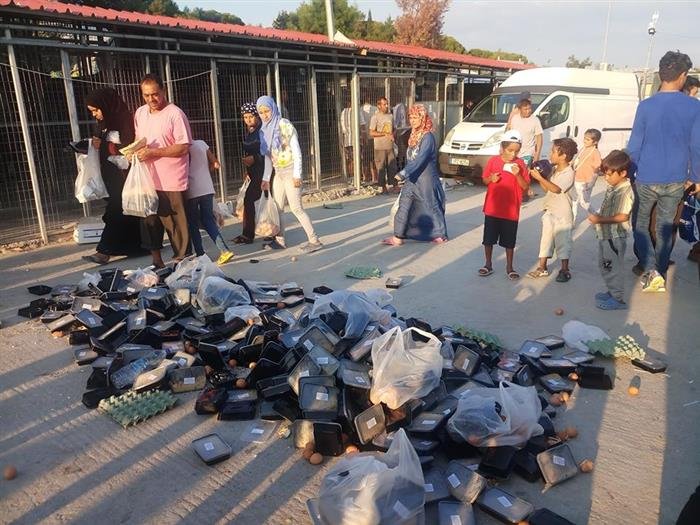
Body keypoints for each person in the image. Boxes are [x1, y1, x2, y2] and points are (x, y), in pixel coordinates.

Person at [627, 50, 700, 293]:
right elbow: (697, 146)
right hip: (676, 179)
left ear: (660, 74)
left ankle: (651, 270)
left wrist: (632, 174)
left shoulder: (645, 106)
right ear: (683, 75)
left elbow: (634, 146)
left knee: (640, 224)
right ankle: (658, 272)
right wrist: (696, 177)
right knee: (666, 227)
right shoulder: (694, 106)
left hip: (646, 177)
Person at [133, 74, 192, 269]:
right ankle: (156, 261)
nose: (151, 99)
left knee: (175, 224)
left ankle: (183, 263)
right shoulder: (140, 113)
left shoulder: (175, 114)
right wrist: (132, 152)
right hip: (148, 178)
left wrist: (153, 152)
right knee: (149, 221)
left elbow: (183, 147)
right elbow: (138, 140)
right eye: (146, 95)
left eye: (155, 94)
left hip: (171, 179)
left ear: (163, 91)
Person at [82, 87, 145, 265]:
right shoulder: (103, 123)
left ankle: (104, 251)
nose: (94, 114)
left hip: (124, 175)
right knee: (123, 211)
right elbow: (102, 144)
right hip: (110, 176)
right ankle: (137, 246)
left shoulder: (125, 119)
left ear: (106, 105)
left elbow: (129, 144)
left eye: (96, 110)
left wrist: (107, 145)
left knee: (116, 210)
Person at [256, 95, 322, 253]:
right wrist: (266, 178)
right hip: (278, 173)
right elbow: (268, 157)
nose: (265, 115)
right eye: (261, 112)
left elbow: (296, 151)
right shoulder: (264, 130)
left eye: (267, 111)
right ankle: (280, 240)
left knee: (296, 208)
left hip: (291, 170)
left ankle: (314, 240)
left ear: (273, 109)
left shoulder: (284, 124)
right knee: (278, 208)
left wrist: (297, 175)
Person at [381, 104, 447, 246]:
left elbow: (421, 159)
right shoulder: (413, 135)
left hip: (425, 178)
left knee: (431, 205)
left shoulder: (428, 137)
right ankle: (398, 236)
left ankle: (440, 234)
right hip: (412, 179)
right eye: (411, 117)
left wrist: (404, 173)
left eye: (416, 118)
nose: (412, 121)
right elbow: (410, 157)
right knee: (403, 205)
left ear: (422, 118)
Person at [478, 130, 530, 280]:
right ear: (502, 148)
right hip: (492, 208)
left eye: (516, 151)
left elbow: (525, 186)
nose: (513, 154)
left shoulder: (520, 164)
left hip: (511, 210)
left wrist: (517, 174)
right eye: (510, 150)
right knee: (488, 239)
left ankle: (510, 267)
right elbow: (484, 180)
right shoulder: (493, 161)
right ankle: (488, 264)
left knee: (509, 241)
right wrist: (491, 179)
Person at [588, 150, 635, 310]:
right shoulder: (613, 187)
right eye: (605, 174)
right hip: (606, 235)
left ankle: (617, 299)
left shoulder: (625, 192)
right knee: (606, 265)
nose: (606, 178)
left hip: (614, 238)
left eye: (609, 175)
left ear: (623, 173)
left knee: (613, 268)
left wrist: (599, 220)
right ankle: (612, 291)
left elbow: (623, 216)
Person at [528, 138, 578, 282]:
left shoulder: (569, 173)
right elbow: (547, 189)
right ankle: (542, 267)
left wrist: (540, 178)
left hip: (563, 214)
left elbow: (556, 189)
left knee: (563, 242)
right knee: (546, 240)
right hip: (550, 210)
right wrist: (541, 177)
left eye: (553, 151)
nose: (550, 154)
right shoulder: (554, 170)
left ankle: (564, 270)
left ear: (563, 156)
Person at [184, 140, 234, 265]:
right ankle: (225, 250)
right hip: (207, 187)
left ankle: (200, 254)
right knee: (208, 220)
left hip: (192, 190)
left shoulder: (183, 147)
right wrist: (205, 172)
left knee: (193, 223)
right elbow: (216, 164)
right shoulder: (202, 144)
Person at [232, 102, 265, 245]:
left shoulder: (262, 131)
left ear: (257, 116)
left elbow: (269, 153)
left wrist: (255, 158)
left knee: (252, 200)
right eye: (245, 117)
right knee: (252, 201)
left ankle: (250, 234)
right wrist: (247, 171)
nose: (248, 120)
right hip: (253, 171)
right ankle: (250, 233)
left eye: (251, 116)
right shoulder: (250, 132)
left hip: (264, 171)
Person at [572, 128, 602, 222]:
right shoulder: (583, 149)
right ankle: (572, 221)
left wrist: (591, 182)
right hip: (577, 178)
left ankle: (597, 217)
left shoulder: (595, 152)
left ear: (595, 142)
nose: (585, 141)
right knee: (574, 201)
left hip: (586, 181)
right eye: (584, 138)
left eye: (588, 139)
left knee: (584, 202)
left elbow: (597, 168)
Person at [369, 97, 397, 194]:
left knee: (392, 167)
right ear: (379, 106)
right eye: (384, 104)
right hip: (380, 147)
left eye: (387, 104)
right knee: (381, 168)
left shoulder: (390, 116)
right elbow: (371, 132)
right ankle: (383, 187)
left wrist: (393, 134)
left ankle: (394, 185)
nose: (386, 106)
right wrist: (384, 134)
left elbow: (394, 129)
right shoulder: (375, 117)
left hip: (390, 146)